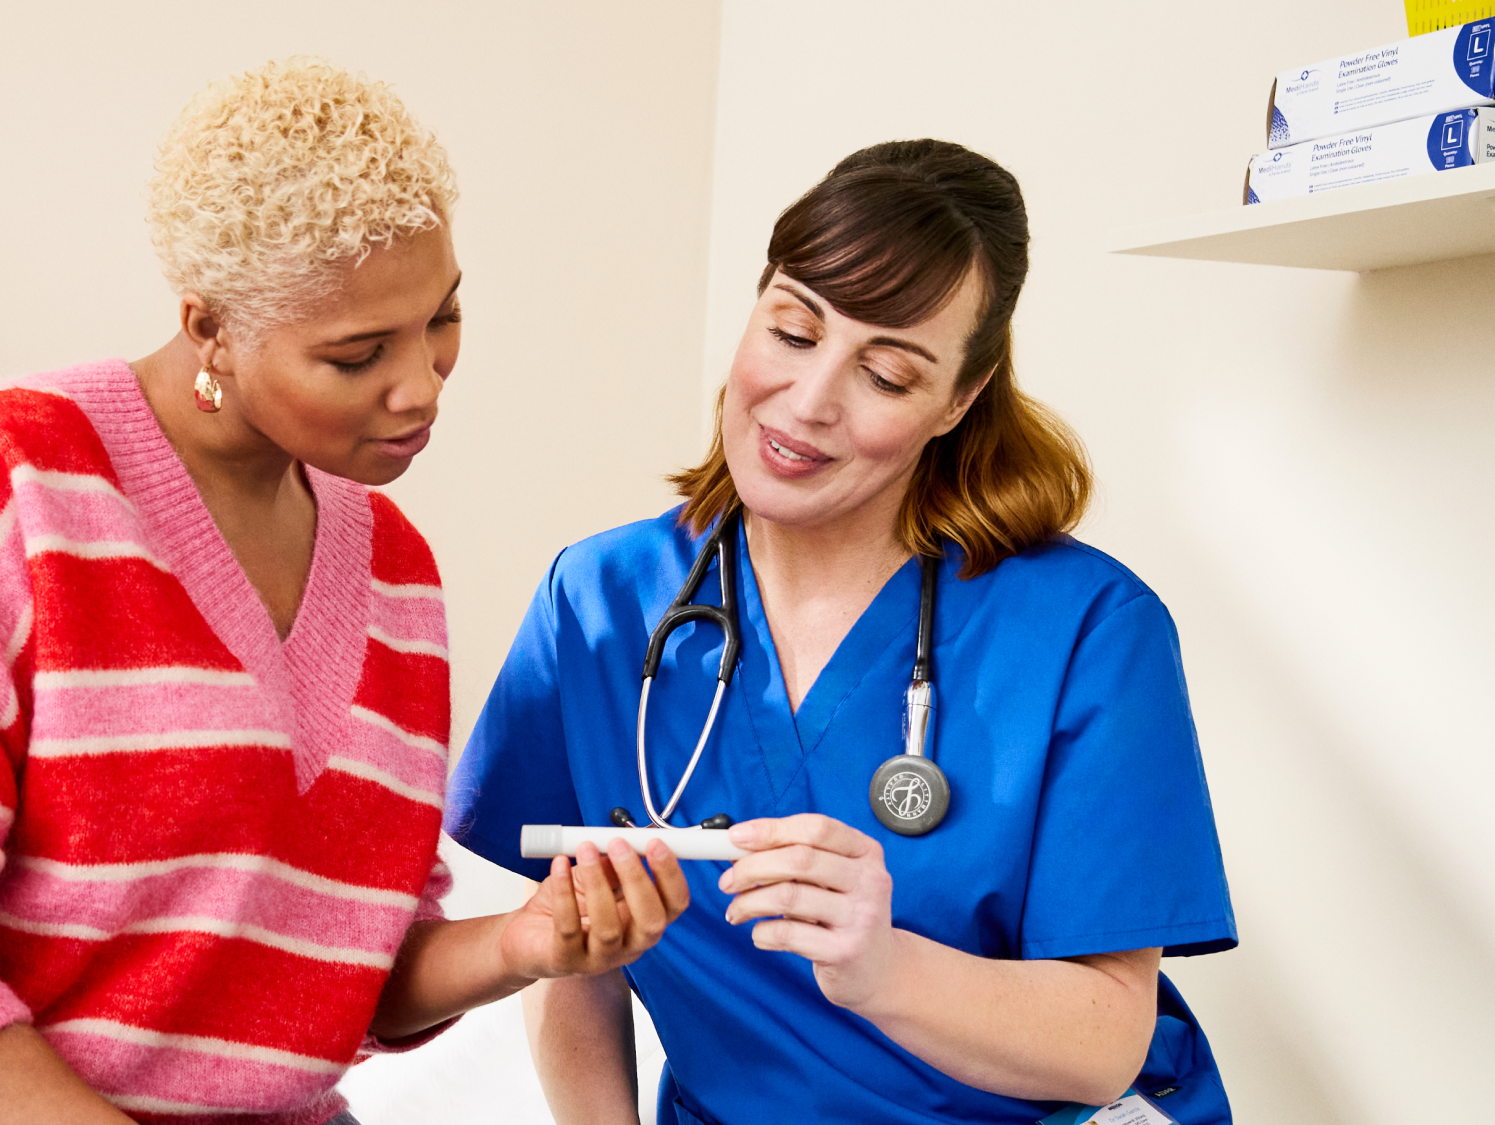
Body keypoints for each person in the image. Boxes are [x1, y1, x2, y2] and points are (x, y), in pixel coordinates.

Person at [0, 58, 686, 1125]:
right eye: (355, 355)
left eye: (442, 318)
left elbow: (328, 979)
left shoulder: (394, 573)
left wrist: (526, 945)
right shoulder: (8, 476)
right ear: (209, 330)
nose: (421, 385)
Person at [445, 140, 1237, 1125]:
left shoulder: (1087, 632)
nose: (808, 402)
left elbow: (1105, 1042)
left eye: (888, 374)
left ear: (958, 400)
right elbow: (576, 956)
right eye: (790, 329)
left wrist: (882, 967)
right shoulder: (597, 603)